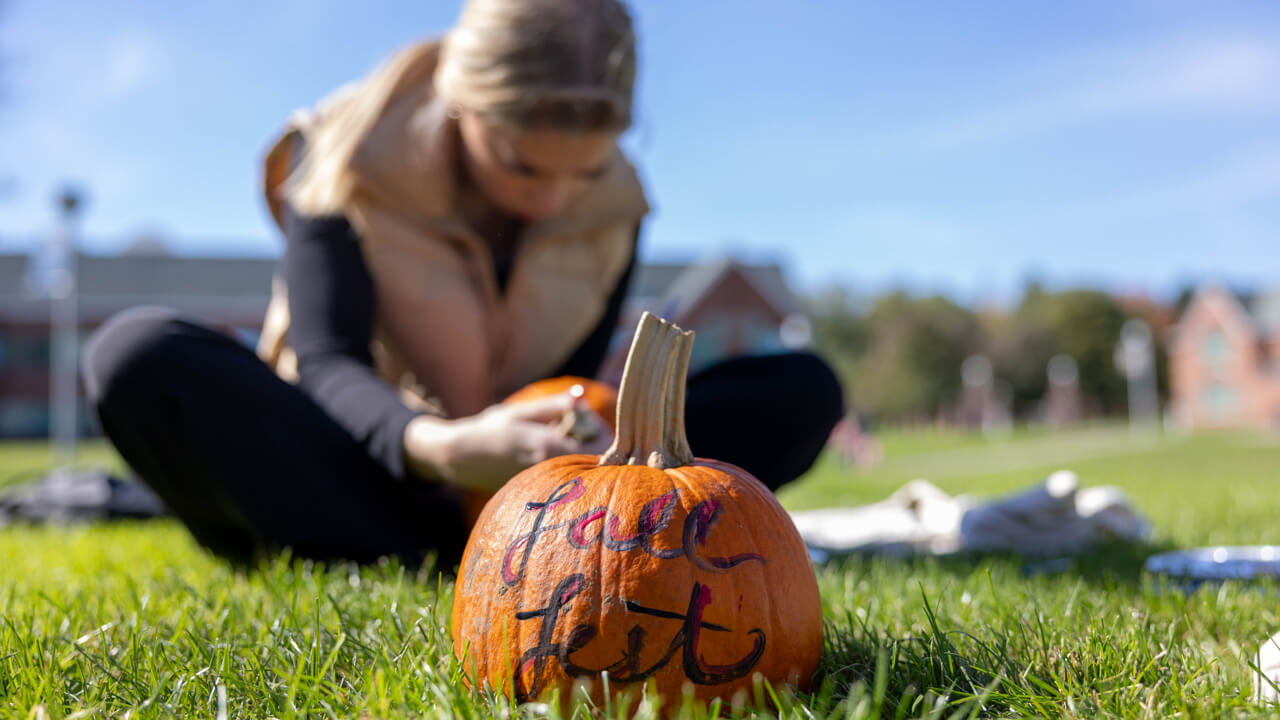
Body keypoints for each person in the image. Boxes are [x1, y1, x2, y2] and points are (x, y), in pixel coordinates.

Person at [81, 0, 843, 568]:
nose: (551, 199)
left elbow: (568, 374)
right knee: (138, 356)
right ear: (460, 101)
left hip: (529, 487)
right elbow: (327, 360)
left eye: (583, 174)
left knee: (800, 391)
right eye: (522, 165)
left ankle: (509, 540)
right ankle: (450, 545)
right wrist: (447, 449)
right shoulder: (343, 152)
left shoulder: (619, 203)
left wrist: (577, 429)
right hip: (363, 466)